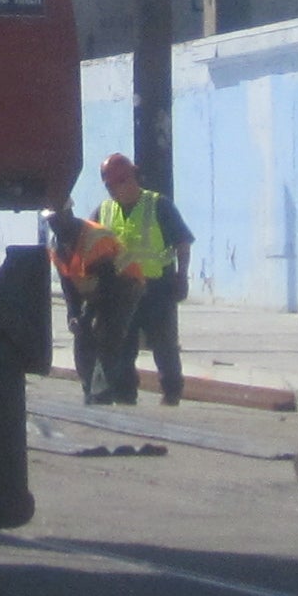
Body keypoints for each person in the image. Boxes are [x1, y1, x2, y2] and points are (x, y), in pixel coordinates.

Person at [91, 152, 195, 407]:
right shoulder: (104, 211)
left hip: (157, 288)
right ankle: (126, 396)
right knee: (123, 347)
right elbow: (88, 243)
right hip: (122, 291)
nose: (116, 190)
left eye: (121, 183)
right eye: (111, 186)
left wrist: (182, 276)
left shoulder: (158, 205)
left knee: (164, 346)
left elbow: (182, 242)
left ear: (131, 179)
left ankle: (171, 392)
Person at [43, 206, 131, 405]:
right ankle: (89, 388)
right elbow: (68, 284)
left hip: (124, 285)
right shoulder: (57, 246)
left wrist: (88, 313)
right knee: (82, 335)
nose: (53, 225)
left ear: (68, 215)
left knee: (107, 334)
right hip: (94, 290)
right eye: (50, 221)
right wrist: (73, 314)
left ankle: (106, 392)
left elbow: (108, 283)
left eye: (56, 219)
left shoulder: (94, 238)